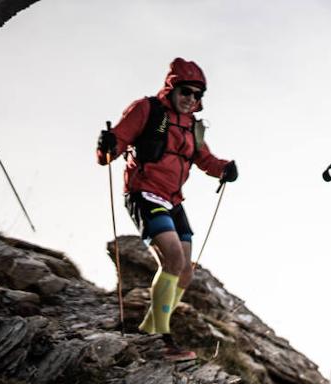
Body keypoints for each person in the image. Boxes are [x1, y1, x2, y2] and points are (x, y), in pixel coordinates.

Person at [97, 57, 238, 362]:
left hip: (174, 200)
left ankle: (150, 325)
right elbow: (115, 145)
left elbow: (205, 160)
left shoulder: (193, 126)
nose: (191, 99)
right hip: (144, 193)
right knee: (172, 258)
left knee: (186, 271)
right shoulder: (146, 109)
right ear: (172, 88)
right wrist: (105, 147)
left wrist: (225, 169)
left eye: (198, 95)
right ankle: (160, 339)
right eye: (186, 91)